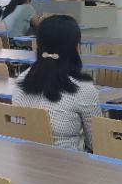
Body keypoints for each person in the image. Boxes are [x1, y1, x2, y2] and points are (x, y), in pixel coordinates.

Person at [11, 15, 100, 151]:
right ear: (75, 47)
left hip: (23, 158)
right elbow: (96, 143)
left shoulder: (21, 79)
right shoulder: (83, 89)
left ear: (39, 45)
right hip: (64, 162)